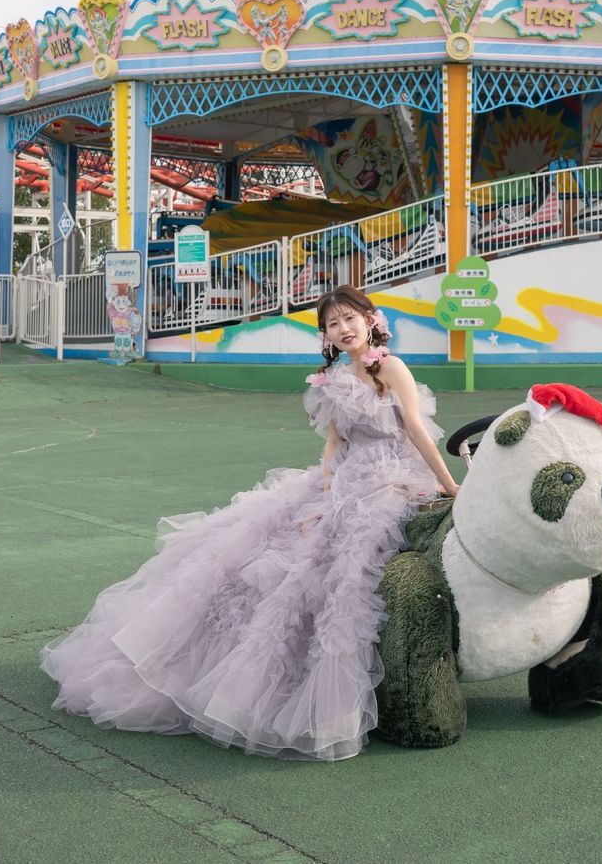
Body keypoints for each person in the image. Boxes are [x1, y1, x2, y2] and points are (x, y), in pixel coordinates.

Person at [40, 285, 460, 761]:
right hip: (346, 480)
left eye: (349, 319)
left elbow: (417, 432)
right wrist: (325, 495)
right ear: (325, 335)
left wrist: (449, 485)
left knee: (348, 568)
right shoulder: (334, 379)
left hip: (391, 477)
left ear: (370, 318)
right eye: (332, 325)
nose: (343, 330)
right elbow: (332, 446)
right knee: (283, 554)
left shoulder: (390, 368)